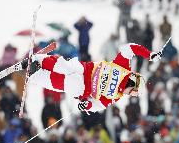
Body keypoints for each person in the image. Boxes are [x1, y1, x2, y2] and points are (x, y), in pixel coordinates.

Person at [20, 43, 162, 113]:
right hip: (85, 69)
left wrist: (87, 105)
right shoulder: (123, 67)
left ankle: (35, 75)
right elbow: (129, 48)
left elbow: (98, 105)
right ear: (133, 82)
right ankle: (38, 61)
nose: (131, 95)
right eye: (133, 91)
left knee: (69, 83)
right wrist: (149, 55)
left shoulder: (116, 96)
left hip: (83, 89)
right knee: (67, 67)